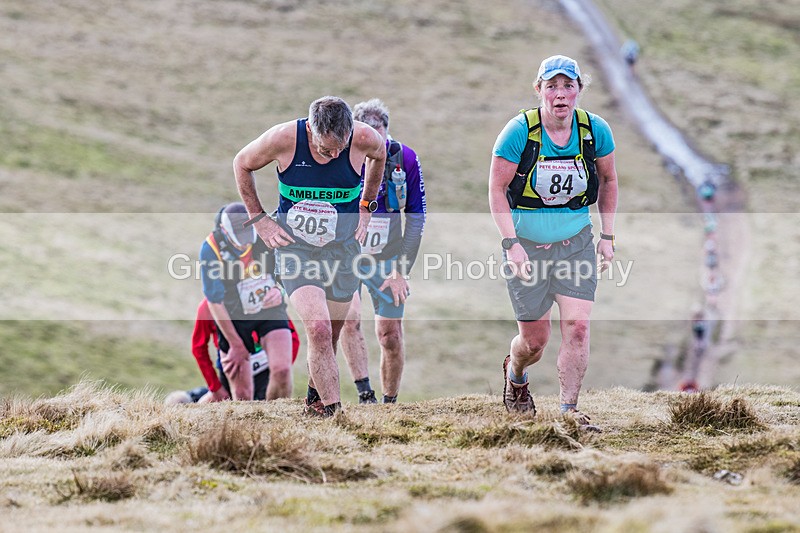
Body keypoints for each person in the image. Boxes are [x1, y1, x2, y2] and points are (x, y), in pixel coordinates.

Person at [233, 96, 386, 417]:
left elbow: (380, 156)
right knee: (316, 327)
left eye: (339, 150)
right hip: (295, 248)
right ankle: (335, 416)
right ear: (311, 131)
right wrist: (259, 219)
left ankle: (315, 401)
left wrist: (367, 204)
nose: (333, 156)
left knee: (330, 333)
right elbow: (242, 164)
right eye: (325, 149)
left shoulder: (364, 138)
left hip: (343, 249)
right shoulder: (283, 138)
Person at [488, 55, 618, 431]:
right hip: (526, 246)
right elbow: (496, 189)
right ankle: (516, 375)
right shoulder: (519, 132)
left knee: (577, 326)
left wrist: (607, 236)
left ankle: (569, 413)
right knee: (534, 342)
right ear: (539, 89)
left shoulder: (595, 131)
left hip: (575, 244)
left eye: (568, 86)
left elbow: (609, 181)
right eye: (552, 86)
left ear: (578, 89)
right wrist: (510, 243)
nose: (560, 94)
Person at [339, 98, 426, 404]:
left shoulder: (405, 159)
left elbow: (416, 218)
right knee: (349, 319)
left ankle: (390, 404)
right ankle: (365, 395)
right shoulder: (340, 157)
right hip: (347, 255)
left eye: (382, 139)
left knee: (389, 334)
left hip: (387, 258)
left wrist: (401, 270)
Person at [199, 202, 295, 401]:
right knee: (243, 394)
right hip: (234, 317)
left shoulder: (264, 230)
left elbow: (290, 267)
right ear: (225, 231)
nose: (244, 245)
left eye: (247, 238)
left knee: (282, 371)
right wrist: (236, 345)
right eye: (238, 240)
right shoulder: (211, 249)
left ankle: (277, 421)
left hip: (269, 310)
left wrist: (280, 290)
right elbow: (214, 302)